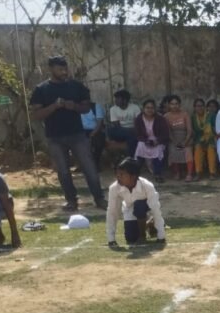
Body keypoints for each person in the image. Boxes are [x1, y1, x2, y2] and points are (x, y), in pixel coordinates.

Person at [29, 55, 105, 211]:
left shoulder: (76, 86)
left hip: (77, 134)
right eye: (60, 69)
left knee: (89, 167)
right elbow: (36, 115)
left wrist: (74, 106)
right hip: (54, 137)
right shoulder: (41, 89)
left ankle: (99, 199)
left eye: (65, 69)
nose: (64, 72)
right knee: (63, 171)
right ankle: (71, 201)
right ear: (51, 69)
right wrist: (54, 106)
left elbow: (86, 108)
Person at [106, 157, 166, 246]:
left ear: (133, 176)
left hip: (145, 208)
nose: (118, 177)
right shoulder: (114, 188)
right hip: (129, 208)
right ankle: (149, 224)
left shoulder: (147, 186)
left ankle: (143, 235)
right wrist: (111, 239)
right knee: (131, 238)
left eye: (122, 174)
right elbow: (112, 212)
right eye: (117, 174)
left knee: (139, 205)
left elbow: (155, 209)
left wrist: (161, 236)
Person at [133, 99, 170, 183]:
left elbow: (165, 134)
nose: (150, 110)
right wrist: (145, 141)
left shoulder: (160, 118)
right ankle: (135, 173)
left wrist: (157, 141)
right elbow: (137, 134)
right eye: (147, 108)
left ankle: (158, 174)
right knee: (140, 146)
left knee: (158, 149)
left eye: (152, 108)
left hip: (158, 140)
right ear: (143, 109)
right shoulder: (139, 119)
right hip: (145, 140)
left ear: (155, 109)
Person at [163, 95, 194, 181]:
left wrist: (185, 142)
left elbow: (189, 130)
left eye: (176, 104)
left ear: (179, 105)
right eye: (172, 104)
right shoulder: (166, 116)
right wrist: (175, 142)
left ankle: (189, 174)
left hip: (186, 138)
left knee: (188, 151)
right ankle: (177, 173)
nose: (174, 106)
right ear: (169, 105)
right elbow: (168, 131)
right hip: (173, 139)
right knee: (173, 150)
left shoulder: (185, 114)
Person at [104, 89, 140, 159]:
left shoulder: (135, 107)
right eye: (116, 98)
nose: (115, 101)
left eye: (118, 99)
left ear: (125, 100)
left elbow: (137, 123)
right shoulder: (113, 109)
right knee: (110, 130)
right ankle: (132, 157)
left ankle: (131, 158)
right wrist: (130, 130)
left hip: (133, 131)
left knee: (133, 134)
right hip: (120, 131)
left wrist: (133, 130)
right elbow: (117, 126)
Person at [192, 98, 218, 179]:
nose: (200, 108)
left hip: (211, 139)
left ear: (204, 107)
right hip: (199, 139)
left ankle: (212, 173)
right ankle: (198, 172)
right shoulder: (193, 117)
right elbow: (192, 131)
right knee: (198, 148)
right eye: (197, 106)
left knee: (211, 149)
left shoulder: (211, 116)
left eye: (201, 106)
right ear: (194, 107)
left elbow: (216, 129)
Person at [82, 101, 105, 167]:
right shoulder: (77, 107)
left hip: (96, 130)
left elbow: (99, 124)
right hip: (82, 131)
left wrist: (92, 133)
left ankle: (95, 164)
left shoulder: (96, 107)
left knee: (99, 142)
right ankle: (83, 165)